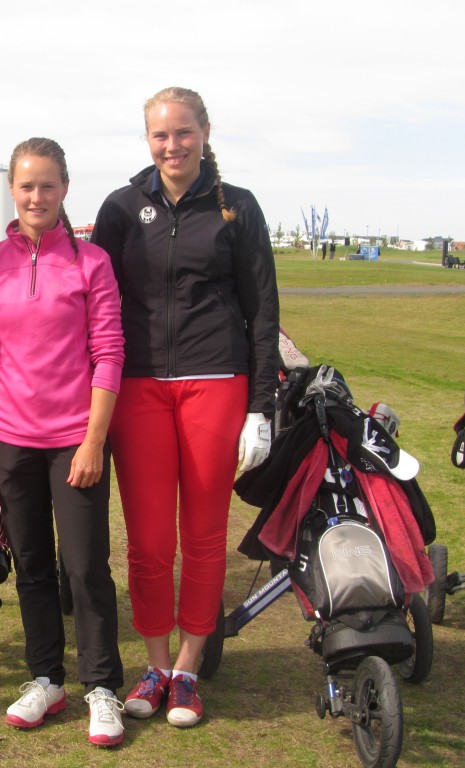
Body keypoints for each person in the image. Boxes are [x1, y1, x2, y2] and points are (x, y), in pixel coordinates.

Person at [91, 87, 280, 728]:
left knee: (202, 536)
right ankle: (154, 665)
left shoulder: (238, 207)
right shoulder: (121, 207)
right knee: (148, 541)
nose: (172, 146)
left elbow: (262, 312)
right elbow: (97, 304)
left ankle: (190, 668)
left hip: (216, 383)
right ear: (148, 140)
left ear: (204, 132)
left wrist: (260, 406)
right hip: (138, 387)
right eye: (160, 135)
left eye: (183, 132)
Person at [0, 137, 127, 747]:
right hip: (8, 440)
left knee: (83, 568)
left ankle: (101, 686)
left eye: (47, 185)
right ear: (12, 189)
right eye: (26, 185)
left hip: (74, 441)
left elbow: (109, 354)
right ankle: (46, 679)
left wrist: (94, 440)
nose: (37, 196)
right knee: (30, 566)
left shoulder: (92, 263)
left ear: (64, 189)